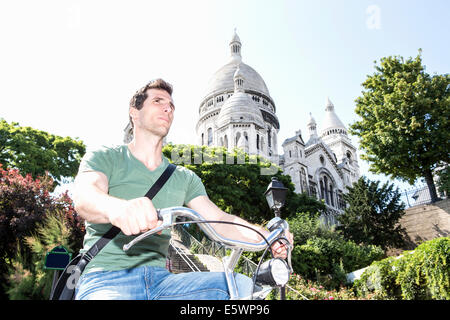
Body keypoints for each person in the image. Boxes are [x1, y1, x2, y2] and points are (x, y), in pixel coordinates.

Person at [72, 78, 293, 300]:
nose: (167, 108)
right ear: (134, 113)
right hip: (106, 279)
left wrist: (269, 237)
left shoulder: (184, 178)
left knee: (240, 288)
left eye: (171, 105)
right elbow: (85, 195)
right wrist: (118, 209)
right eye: (157, 101)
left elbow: (222, 220)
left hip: (162, 282)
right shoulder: (105, 156)